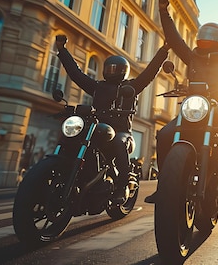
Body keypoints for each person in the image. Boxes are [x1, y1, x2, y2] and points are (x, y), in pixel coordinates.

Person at [145, 0, 218, 203]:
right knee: (164, 135)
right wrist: (164, 11)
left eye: (212, 37)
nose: (206, 40)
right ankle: (163, 185)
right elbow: (173, 39)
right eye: (204, 37)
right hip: (192, 111)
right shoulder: (192, 57)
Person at [55, 33, 170, 203]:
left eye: (116, 69)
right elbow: (76, 74)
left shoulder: (131, 86)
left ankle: (121, 186)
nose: (112, 71)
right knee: (74, 137)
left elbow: (149, 73)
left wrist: (164, 50)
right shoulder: (97, 86)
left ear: (123, 71)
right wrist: (62, 50)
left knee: (117, 141)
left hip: (123, 133)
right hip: (98, 131)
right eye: (110, 68)